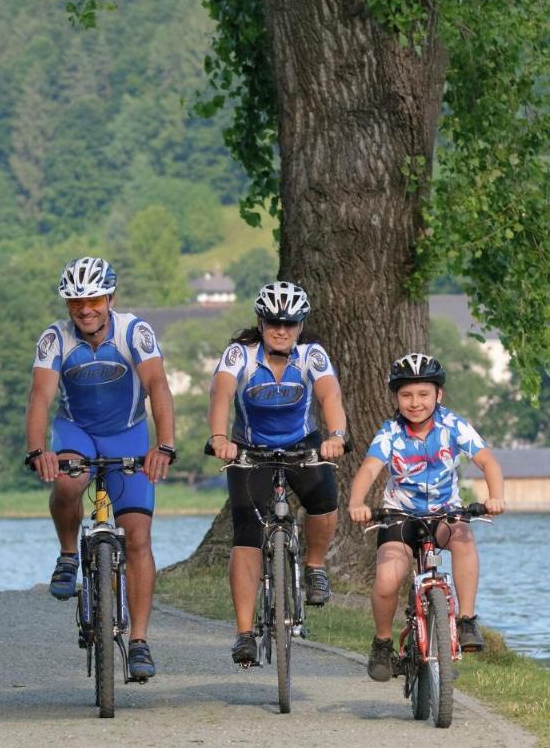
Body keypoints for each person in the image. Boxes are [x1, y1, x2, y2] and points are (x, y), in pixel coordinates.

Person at [24, 256, 175, 682]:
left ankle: (140, 641)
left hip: (126, 434)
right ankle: (69, 554)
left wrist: (163, 445)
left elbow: (157, 386)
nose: (85, 309)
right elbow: (40, 396)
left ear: (109, 297)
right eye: (76, 302)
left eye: (93, 299)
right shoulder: (55, 338)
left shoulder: (134, 331)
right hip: (77, 432)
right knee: (71, 479)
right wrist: (39, 450)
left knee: (139, 538)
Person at [207, 280, 348, 665]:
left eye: (289, 323)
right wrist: (220, 438)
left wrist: (336, 435)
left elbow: (329, 395)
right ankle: (243, 633)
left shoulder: (311, 354)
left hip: (302, 442)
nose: (281, 330)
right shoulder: (241, 354)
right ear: (261, 322)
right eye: (273, 323)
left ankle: (315, 566)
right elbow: (220, 393)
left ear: (301, 326)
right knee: (248, 534)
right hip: (250, 449)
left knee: (324, 499)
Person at [347, 352, 505, 681]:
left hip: (445, 514)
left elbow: (488, 461)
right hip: (398, 517)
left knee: (463, 540)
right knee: (388, 579)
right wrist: (356, 502)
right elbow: (369, 469)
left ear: (438, 395)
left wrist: (495, 497)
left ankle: (466, 620)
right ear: (396, 398)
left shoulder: (453, 425)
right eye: (406, 395)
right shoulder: (390, 432)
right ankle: (382, 642)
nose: (415, 403)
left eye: (423, 394)